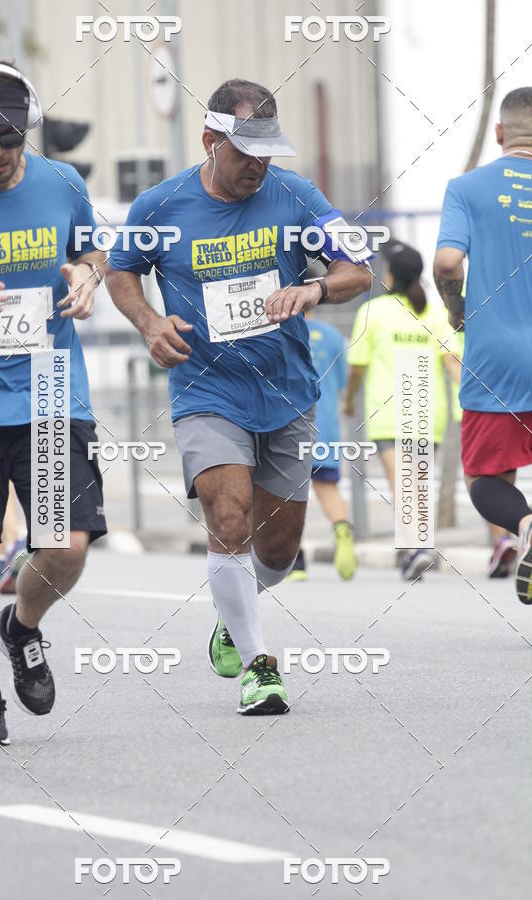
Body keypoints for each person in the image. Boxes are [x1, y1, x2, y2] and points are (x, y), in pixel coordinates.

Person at [106, 78, 371, 715]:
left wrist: (314, 291)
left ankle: (234, 610)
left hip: (286, 390)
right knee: (228, 516)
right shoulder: (159, 207)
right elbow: (120, 273)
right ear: (210, 141)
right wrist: (149, 322)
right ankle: (260, 668)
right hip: (207, 388)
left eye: (267, 153)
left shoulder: (298, 196)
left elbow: (359, 271)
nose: (258, 166)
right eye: (245, 152)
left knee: (277, 549)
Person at [0, 61, 107, 747]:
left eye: (9, 137)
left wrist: (89, 277)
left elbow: (91, 249)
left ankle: (23, 627)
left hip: (51, 389)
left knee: (64, 547)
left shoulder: (63, 182)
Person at [434, 86, 532, 604]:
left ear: (500, 133)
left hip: (496, 358)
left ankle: (526, 525)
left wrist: (456, 310)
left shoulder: (467, 189)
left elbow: (448, 263)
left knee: (488, 477)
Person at [344, 240, 461, 580]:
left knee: (402, 486)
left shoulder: (372, 312)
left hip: (388, 412)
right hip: (428, 411)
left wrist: (349, 399)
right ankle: (416, 549)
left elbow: (357, 367)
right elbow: (453, 362)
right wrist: (472, 397)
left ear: (391, 275)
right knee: (418, 485)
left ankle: (416, 549)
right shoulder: (436, 312)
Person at [287, 309, 357, 581]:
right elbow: (340, 382)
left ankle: (296, 561)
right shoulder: (332, 336)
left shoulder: (282, 332)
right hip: (324, 423)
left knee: (287, 495)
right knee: (328, 488)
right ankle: (343, 534)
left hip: (289, 424)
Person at [449, 334, 517, 578]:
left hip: (476, 410)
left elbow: (452, 365)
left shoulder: (460, 329)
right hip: (510, 406)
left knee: (478, 480)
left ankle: (502, 540)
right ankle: (504, 540)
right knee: (504, 474)